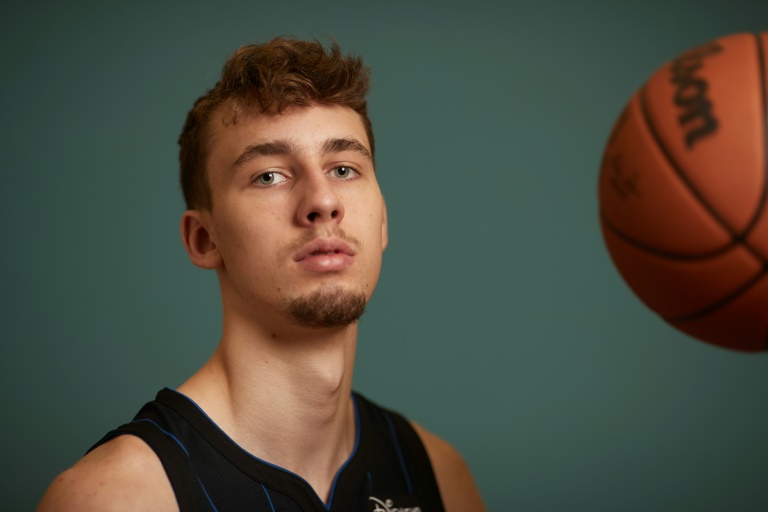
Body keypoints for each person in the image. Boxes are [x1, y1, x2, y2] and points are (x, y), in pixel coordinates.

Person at [38, 37, 485, 512]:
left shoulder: (438, 475)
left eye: (344, 168)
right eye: (269, 175)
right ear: (204, 240)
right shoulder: (118, 497)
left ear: (383, 223)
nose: (323, 201)